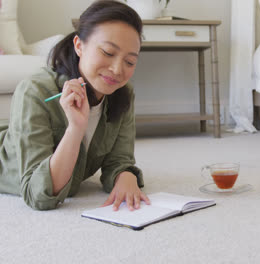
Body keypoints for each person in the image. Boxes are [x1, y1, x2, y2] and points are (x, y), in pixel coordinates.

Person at [0, 0, 150, 211]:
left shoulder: (123, 94)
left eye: (130, 61)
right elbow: (38, 194)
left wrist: (126, 177)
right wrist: (75, 129)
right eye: (108, 52)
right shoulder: (35, 92)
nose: (117, 69)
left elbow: (119, 160)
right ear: (79, 46)